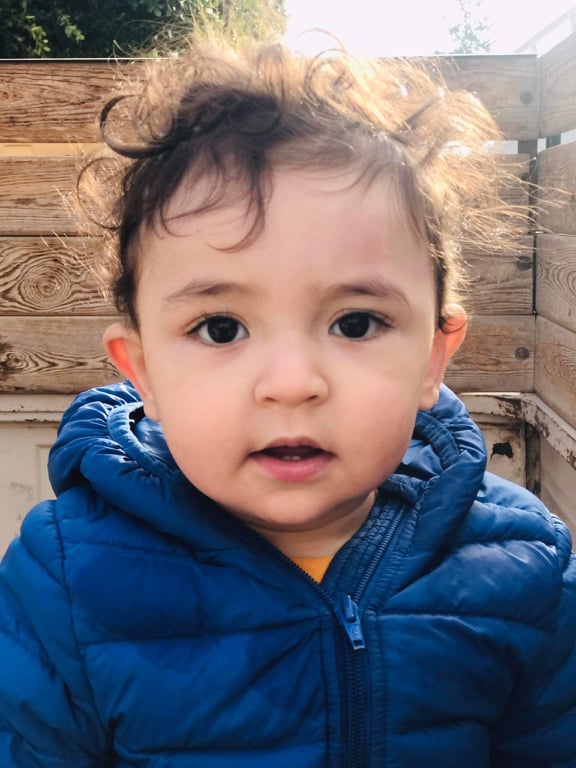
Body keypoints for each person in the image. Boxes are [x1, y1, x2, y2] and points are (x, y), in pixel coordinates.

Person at [0, 28, 575, 768]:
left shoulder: (523, 563)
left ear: (433, 356)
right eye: (221, 328)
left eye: (356, 323)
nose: (292, 383)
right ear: (142, 372)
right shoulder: (66, 581)